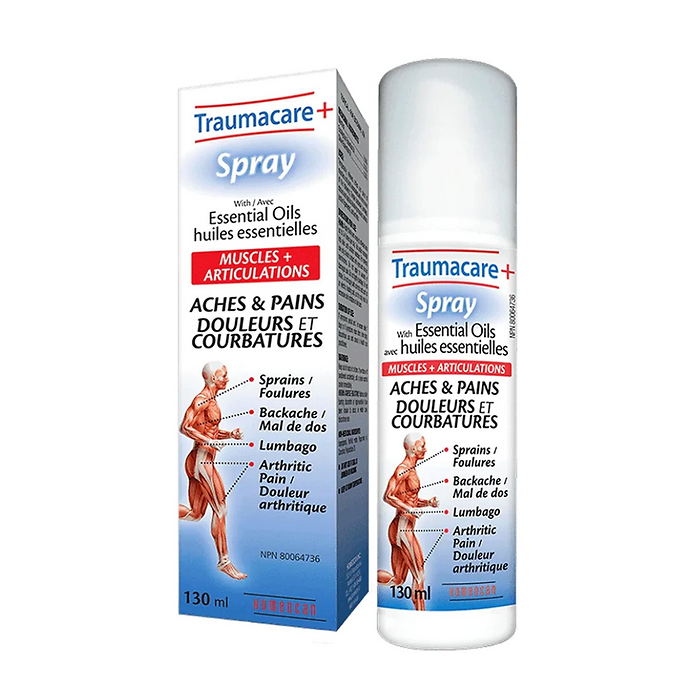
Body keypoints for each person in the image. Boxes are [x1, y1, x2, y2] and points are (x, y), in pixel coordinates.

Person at [179, 361, 247, 579]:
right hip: (202, 461)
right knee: (221, 509)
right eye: (223, 375)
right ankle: (224, 562)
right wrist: (209, 441)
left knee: (195, 513)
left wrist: (230, 435)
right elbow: (185, 427)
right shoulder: (201, 399)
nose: (227, 378)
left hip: (198, 460)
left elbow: (209, 428)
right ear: (212, 378)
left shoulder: (211, 400)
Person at [377, 433, 438, 610]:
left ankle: (363, 576)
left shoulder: (412, 469)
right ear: (412, 448)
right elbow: (388, 496)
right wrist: (410, 510)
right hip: (402, 528)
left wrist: (427, 503)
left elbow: (409, 498)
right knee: (419, 575)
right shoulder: (402, 469)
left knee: (398, 580)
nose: (425, 449)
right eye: (422, 446)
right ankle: (421, 617)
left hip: (400, 527)